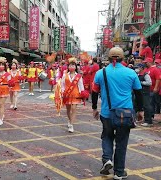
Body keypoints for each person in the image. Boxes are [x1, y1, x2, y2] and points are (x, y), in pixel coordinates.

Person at [92, 47, 144, 179]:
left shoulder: (100, 73)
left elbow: (94, 92)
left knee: (107, 136)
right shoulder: (131, 73)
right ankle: (119, 172)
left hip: (107, 113)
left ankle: (107, 159)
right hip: (125, 114)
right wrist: (140, 111)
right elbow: (139, 93)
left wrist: (94, 108)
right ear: (123, 58)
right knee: (121, 142)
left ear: (109, 59)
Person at [61, 57, 85, 133]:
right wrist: (62, 92)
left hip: (76, 94)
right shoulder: (65, 75)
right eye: (70, 65)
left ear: (76, 67)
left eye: (73, 65)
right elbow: (62, 84)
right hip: (67, 94)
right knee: (68, 110)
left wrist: (83, 94)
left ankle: (71, 125)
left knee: (74, 109)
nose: (72, 67)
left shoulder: (78, 76)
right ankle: (69, 120)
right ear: (68, 67)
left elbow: (81, 85)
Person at [0, 57, 13, 125]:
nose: (1, 66)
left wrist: (11, 84)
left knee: (1, 104)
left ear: (5, 66)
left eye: (2, 65)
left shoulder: (7, 74)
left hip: (4, 89)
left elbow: (10, 83)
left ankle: (0, 119)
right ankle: (2, 114)